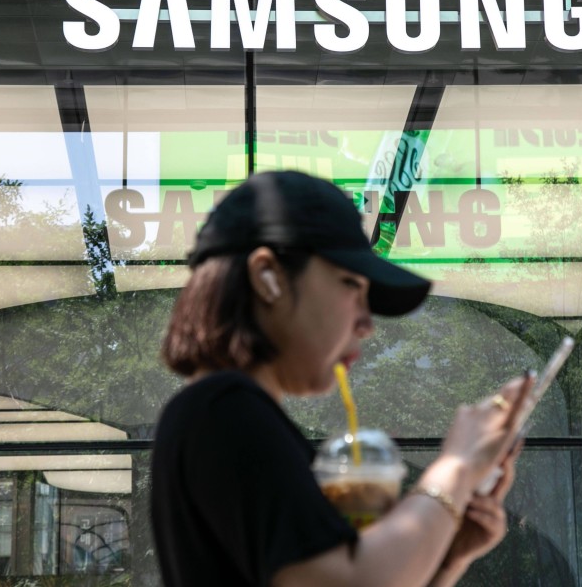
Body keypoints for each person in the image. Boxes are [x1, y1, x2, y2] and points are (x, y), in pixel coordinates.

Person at [151, 170, 534, 587]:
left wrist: (444, 557)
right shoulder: (225, 408)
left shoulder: (218, 411)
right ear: (268, 276)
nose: (367, 322)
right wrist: (456, 467)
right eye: (351, 283)